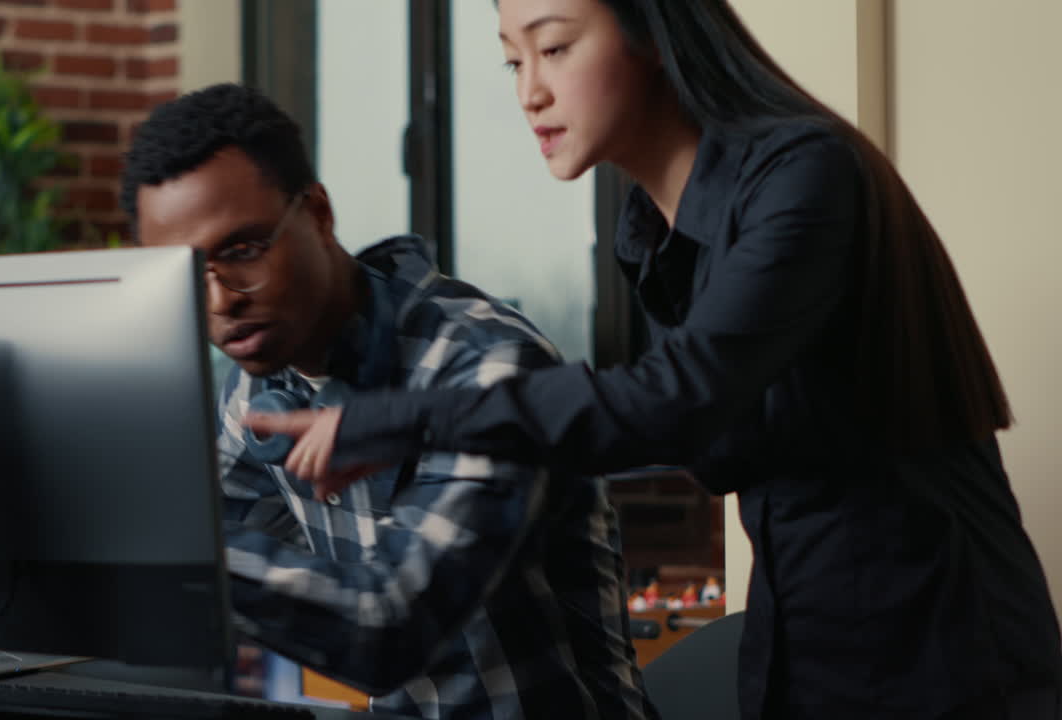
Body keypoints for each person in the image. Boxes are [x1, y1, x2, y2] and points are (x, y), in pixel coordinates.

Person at [244, 1, 1062, 719]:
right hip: (803, 649)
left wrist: (401, 420)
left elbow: (679, 402)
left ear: (653, 30)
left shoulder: (808, 173)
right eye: (511, 58)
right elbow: (715, 442)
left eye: (555, 47)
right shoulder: (654, 231)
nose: (528, 91)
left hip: (942, 653)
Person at [119, 83, 657, 720]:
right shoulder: (255, 390)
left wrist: (145, 529)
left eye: (242, 251)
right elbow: (203, 570)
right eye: (184, 272)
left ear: (318, 213)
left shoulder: (484, 368)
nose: (218, 300)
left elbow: (388, 629)